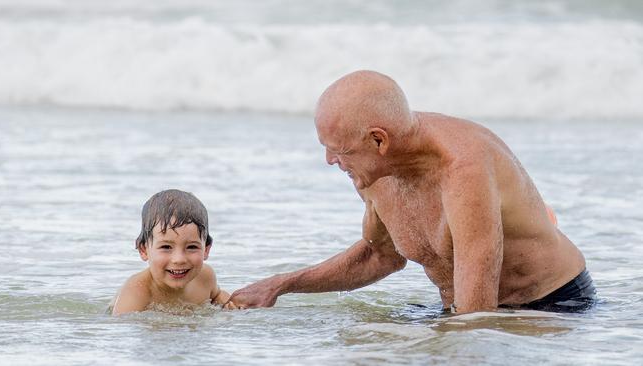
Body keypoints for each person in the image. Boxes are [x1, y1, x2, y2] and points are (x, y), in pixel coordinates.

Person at [229, 70, 596, 314]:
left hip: (551, 307)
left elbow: (476, 323)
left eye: (339, 151)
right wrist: (281, 285)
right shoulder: (374, 172)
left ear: (379, 140)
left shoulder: (463, 170)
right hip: (466, 312)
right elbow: (381, 256)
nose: (329, 160)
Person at [112, 189, 234, 315]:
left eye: (192, 247)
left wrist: (232, 306)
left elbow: (218, 296)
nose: (179, 259)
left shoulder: (205, 276)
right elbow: (121, 325)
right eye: (166, 247)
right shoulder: (137, 291)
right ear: (144, 250)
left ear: (206, 249)